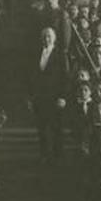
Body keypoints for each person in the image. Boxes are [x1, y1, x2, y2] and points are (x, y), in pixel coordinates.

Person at [30, 24, 68, 163]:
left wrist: (63, 97)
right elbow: (32, 76)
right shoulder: (36, 53)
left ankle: (58, 156)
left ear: (54, 39)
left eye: (49, 37)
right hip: (40, 97)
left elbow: (65, 77)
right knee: (42, 128)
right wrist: (31, 96)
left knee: (56, 128)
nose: (47, 39)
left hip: (55, 96)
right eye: (45, 37)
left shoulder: (60, 54)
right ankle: (44, 154)